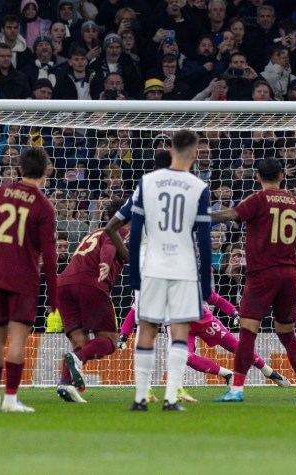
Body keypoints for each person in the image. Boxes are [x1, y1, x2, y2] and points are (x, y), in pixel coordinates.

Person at [210, 157, 296, 403]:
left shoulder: (258, 200)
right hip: (288, 275)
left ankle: (236, 390)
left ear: (257, 176)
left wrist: (201, 214)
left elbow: (232, 214)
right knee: (287, 334)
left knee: (247, 332)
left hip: (262, 274)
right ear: (282, 176)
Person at [126, 130, 212, 412]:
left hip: (151, 263)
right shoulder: (198, 186)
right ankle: (171, 398)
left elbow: (135, 229)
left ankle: (140, 398)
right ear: (194, 152)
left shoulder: (146, 182)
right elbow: (203, 236)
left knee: (147, 328)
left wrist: (134, 274)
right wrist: (206, 281)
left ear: (172, 149)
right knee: (179, 330)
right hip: (183, 266)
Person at [0, 147, 58, 413]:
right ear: (45, 171)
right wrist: (54, 297)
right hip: (24, 279)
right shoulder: (44, 206)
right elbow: (51, 257)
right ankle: (10, 399)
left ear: (19, 169)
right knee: (18, 338)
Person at [117, 291, 291, 404]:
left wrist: (233, 312)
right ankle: (227, 374)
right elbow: (135, 312)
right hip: (178, 326)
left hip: (203, 320)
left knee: (238, 348)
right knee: (186, 357)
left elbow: (213, 298)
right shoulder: (153, 286)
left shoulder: (187, 280)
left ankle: (270, 372)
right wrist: (124, 335)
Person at [55, 199, 128, 404]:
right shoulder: (119, 230)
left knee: (81, 343)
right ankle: (77, 360)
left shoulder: (91, 234)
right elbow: (110, 246)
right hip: (90, 284)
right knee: (109, 341)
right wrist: (105, 263)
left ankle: (65, 383)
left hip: (64, 285)